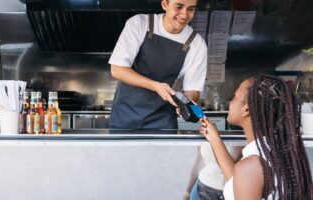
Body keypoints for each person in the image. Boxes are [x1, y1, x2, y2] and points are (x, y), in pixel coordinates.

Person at [200, 74, 313, 199]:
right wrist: (215, 139)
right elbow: (239, 183)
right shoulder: (279, 152)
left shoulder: (251, 165)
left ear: (246, 110)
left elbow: (245, 176)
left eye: (234, 97)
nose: (230, 102)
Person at [108, 0, 207, 129]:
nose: (184, 14)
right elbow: (117, 70)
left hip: (163, 120)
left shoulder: (196, 44)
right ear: (164, 4)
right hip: (124, 116)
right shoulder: (140, 24)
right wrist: (155, 86)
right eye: (179, 7)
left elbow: (192, 90)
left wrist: (187, 104)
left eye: (191, 9)